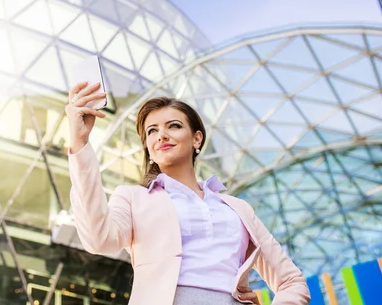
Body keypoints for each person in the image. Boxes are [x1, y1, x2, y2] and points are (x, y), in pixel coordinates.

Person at [65, 82, 311, 305]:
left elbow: (292, 282)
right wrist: (79, 143)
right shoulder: (133, 198)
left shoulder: (237, 209)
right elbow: (98, 239)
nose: (161, 134)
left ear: (197, 139)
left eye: (174, 126)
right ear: (149, 148)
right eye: (152, 131)